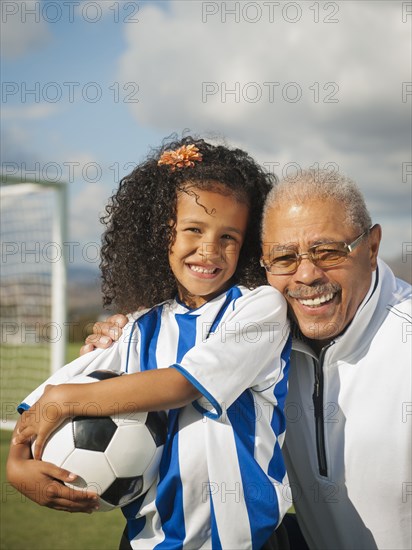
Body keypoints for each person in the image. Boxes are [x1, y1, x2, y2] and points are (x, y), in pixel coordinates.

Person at [88, 168, 412, 549]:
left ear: (371, 248)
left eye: (328, 251)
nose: (306, 274)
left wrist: (64, 400)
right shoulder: (265, 336)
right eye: (285, 257)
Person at [8, 137, 293, 550]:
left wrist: (68, 400)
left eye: (229, 237)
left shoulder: (260, 308)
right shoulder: (137, 327)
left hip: (249, 541)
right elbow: (43, 403)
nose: (210, 250)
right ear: (161, 233)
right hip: (147, 541)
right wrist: (17, 467)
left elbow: (183, 384)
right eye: (193, 229)